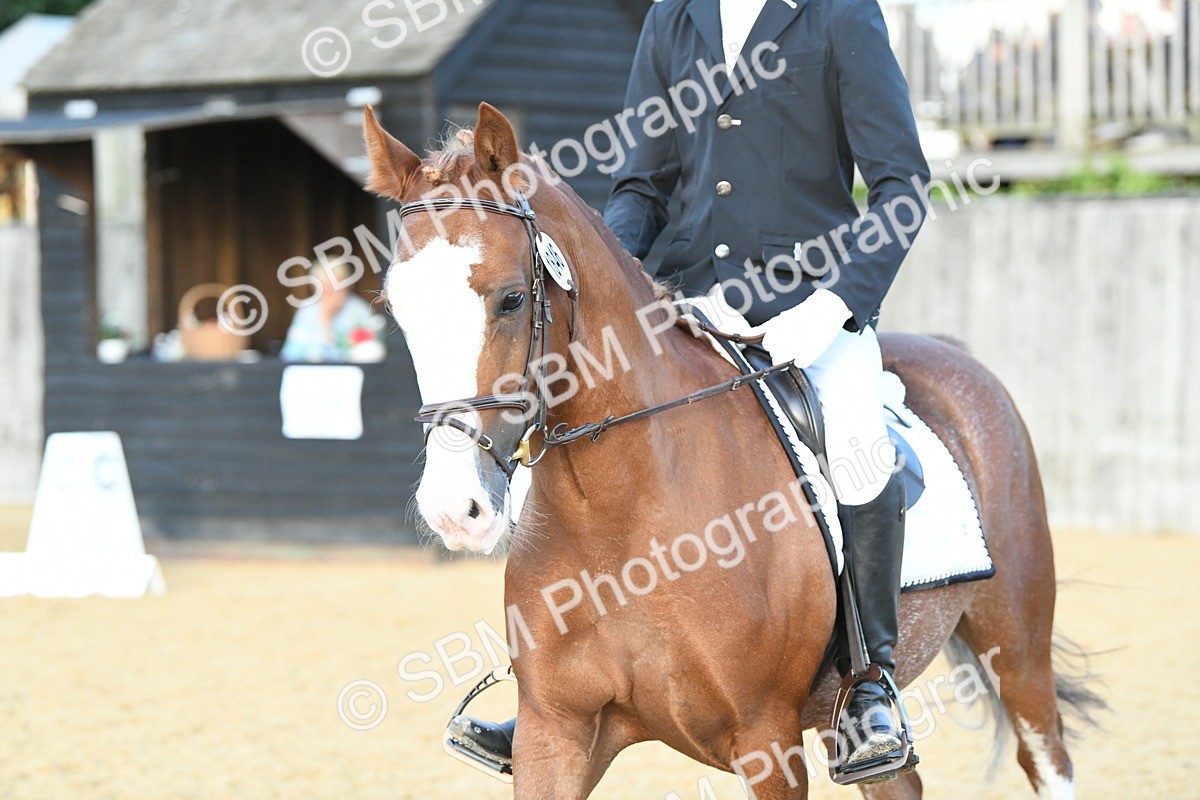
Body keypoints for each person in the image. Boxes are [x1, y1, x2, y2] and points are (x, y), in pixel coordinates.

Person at [451, 0, 930, 776]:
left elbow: (902, 186)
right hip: (686, 301)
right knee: (575, 437)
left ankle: (868, 688)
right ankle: (553, 696)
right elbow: (641, 182)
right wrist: (613, 279)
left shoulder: (840, 14)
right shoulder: (673, 19)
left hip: (807, 313)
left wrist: (832, 309)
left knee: (857, 448)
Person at [280, 262, 385, 363]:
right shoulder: (307, 310)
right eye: (324, 287)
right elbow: (290, 354)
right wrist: (325, 318)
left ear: (347, 286)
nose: (329, 293)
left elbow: (372, 351)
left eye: (335, 287)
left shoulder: (359, 310)